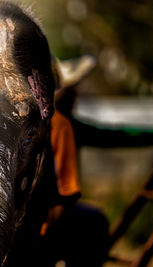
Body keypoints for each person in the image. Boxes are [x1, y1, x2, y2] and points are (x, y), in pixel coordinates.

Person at [40, 55, 110, 267]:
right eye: (72, 91)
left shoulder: (23, 118)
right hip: (41, 224)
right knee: (94, 222)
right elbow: (65, 194)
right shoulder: (61, 124)